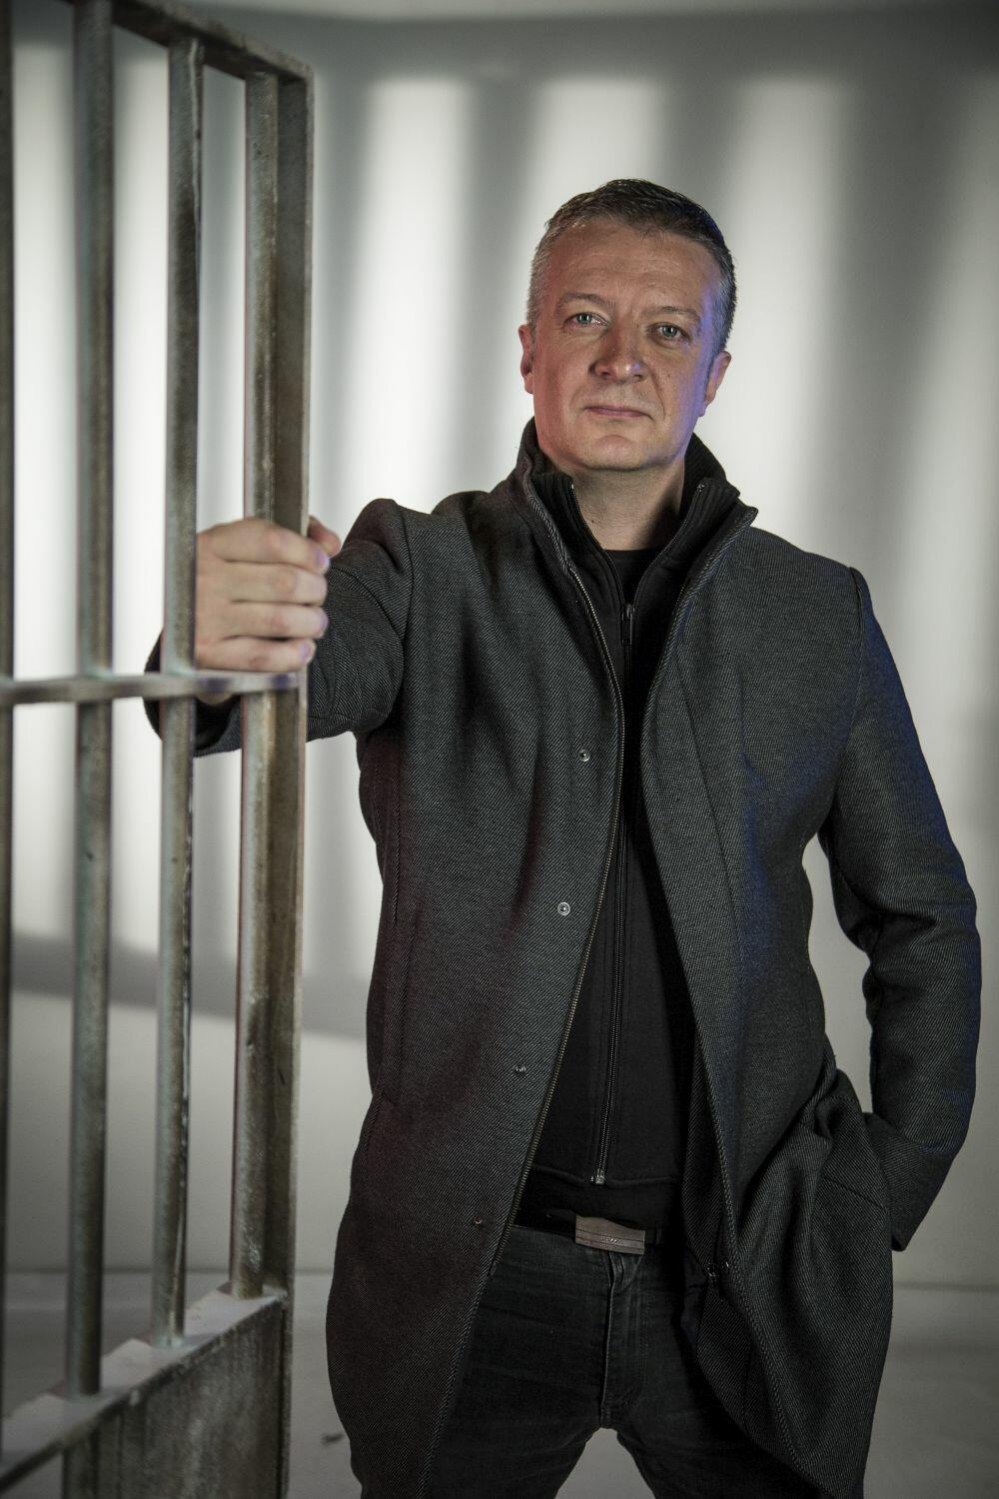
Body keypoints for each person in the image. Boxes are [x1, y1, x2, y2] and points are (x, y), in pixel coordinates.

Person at [145, 180, 981, 1499]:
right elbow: (273, 685)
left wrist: (887, 1182)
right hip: (474, 1276)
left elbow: (923, 915)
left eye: (667, 329)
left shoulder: (816, 614)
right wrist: (212, 643)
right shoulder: (414, 569)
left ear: (715, 372)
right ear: (528, 348)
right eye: (585, 317)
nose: (621, 357)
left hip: (748, 1270)